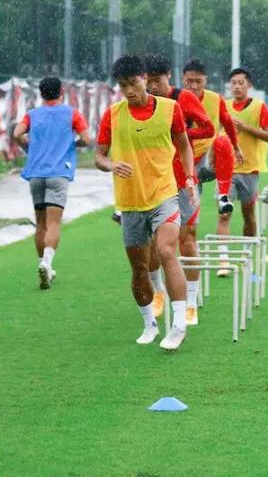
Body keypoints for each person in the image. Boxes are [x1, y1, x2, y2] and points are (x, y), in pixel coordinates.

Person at [95, 55, 197, 351]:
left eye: (134, 83)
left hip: (164, 194)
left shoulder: (169, 109)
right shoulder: (112, 115)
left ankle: (178, 326)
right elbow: (100, 155)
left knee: (167, 251)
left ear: (145, 79)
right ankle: (149, 323)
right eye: (123, 86)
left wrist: (189, 179)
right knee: (140, 268)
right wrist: (111, 164)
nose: (129, 91)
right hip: (129, 201)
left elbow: (184, 146)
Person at [143, 54, 215, 323]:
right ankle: (159, 291)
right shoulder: (142, 104)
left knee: (187, 239)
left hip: (183, 179)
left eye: (157, 82)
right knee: (154, 244)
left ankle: (191, 300)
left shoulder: (183, 99)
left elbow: (207, 127)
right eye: (147, 82)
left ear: (169, 77)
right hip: (154, 180)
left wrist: (178, 135)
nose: (152, 88)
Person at [13, 77, 94, 290]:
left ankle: (45, 266)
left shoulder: (32, 115)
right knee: (54, 222)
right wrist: (71, 144)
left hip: (36, 173)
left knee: (40, 222)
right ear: (62, 92)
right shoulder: (72, 114)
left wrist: (29, 147)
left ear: (41, 94)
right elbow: (86, 139)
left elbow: (17, 134)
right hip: (59, 173)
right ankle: (47, 262)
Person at [181, 59, 243, 217]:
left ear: (205, 80)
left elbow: (227, 123)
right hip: (183, 163)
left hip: (208, 159)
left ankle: (223, 196)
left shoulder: (215, 99)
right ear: (183, 80)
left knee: (222, 141)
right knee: (187, 225)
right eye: (189, 81)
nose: (194, 86)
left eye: (198, 81)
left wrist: (236, 147)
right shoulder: (174, 100)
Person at [227, 68, 268, 237]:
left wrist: (245, 128)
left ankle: (249, 250)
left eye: (241, 83)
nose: (237, 87)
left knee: (248, 214)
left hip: (249, 169)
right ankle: (223, 256)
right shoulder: (224, 107)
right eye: (233, 83)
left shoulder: (259, 107)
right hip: (228, 169)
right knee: (224, 212)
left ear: (249, 85)